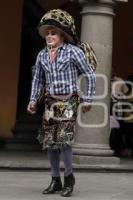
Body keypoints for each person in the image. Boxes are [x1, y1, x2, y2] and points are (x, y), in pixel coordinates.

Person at [27, 9, 96, 197]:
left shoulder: (74, 52)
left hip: (68, 101)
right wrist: (33, 100)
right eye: (47, 33)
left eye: (54, 33)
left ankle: (69, 178)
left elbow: (89, 74)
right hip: (50, 101)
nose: (49, 36)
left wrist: (88, 98)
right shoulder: (42, 55)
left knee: (64, 140)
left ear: (63, 36)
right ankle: (55, 179)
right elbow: (37, 80)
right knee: (50, 142)